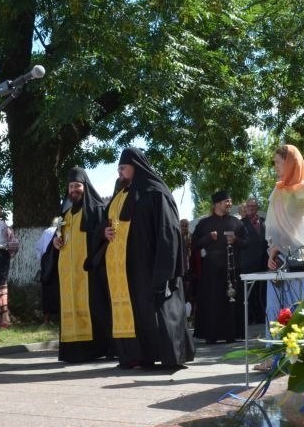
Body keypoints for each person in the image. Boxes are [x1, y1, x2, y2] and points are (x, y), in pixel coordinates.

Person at [101, 147, 194, 369]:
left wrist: (165, 267)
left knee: (159, 311)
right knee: (139, 313)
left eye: (123, 168)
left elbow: (168, 231)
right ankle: (140, 356)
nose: (120, 173)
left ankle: (170, 357)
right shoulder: (122, 196)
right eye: (118, 169)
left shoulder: (156, 192)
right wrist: (104, 232)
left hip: (154, 265)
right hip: (130, 269)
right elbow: (108, 225)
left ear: (135, 166)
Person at [50, 167, 112, 362]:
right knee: (71, 309)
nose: (73, 190)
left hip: (88, 271)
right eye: (70, 186)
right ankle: (73, 351)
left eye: (77, 186)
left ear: (85, 186)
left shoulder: (97, 209)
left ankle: (98, 349)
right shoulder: (65, 214)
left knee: (95, 308)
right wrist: (55, 241)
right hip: (68, 273)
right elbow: (57, 237)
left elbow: (104, 237)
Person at [265, 144, 304, 323]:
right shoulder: (278, 189)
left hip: (301, 257)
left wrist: (279, 244)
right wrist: (272, 249)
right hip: (279, 257)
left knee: (301, 309)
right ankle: (277, 342)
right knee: (276, 310)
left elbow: (295, 221)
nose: (275, 167)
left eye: (278, 162)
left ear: (290, 163)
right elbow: (272, 225)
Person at [192, 191, 247, 344]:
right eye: (226, 201)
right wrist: (208, 238)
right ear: (217, 204)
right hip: (211, 271)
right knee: (212, 302)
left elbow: (247, 243)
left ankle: (231, 334)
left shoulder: (237, 223)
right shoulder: (204, 223)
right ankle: (211, 335)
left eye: (230, 201)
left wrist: (235, 240)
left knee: (231, 301)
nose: (230, 204)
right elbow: (195, 244)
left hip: (231, 268)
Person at [240, 196, 268, 324]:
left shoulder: (264, 222)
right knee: (249, 292)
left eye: (254, 206)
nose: (251, 208)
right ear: (246, 208)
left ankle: (262, 316)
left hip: (264, 262)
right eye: (249, 206)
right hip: (247, 263)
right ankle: (250, 317)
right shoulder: (240, 224)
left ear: (257, 208)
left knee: (262, 291)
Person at [34, 223, 59, 324]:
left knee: (47, 291)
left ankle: (46, 319)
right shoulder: (64, 230)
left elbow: (39, 249)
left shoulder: (47, 231)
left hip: (48, 264)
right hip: (60, 262)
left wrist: (45, 261)